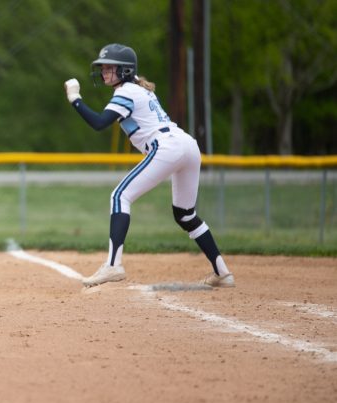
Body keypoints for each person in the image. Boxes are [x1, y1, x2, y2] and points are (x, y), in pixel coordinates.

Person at [64, 43, 234, 289]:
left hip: (167, 146)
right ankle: (223, 273)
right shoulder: (138, 90)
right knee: (186, 215)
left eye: (110, 68)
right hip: (187, 145)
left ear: (125, 70)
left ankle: (113, 265)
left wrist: (75, 99)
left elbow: (100, 123)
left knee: (119, 196)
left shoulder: (126, 92)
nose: (104, 72)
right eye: (104, 68)